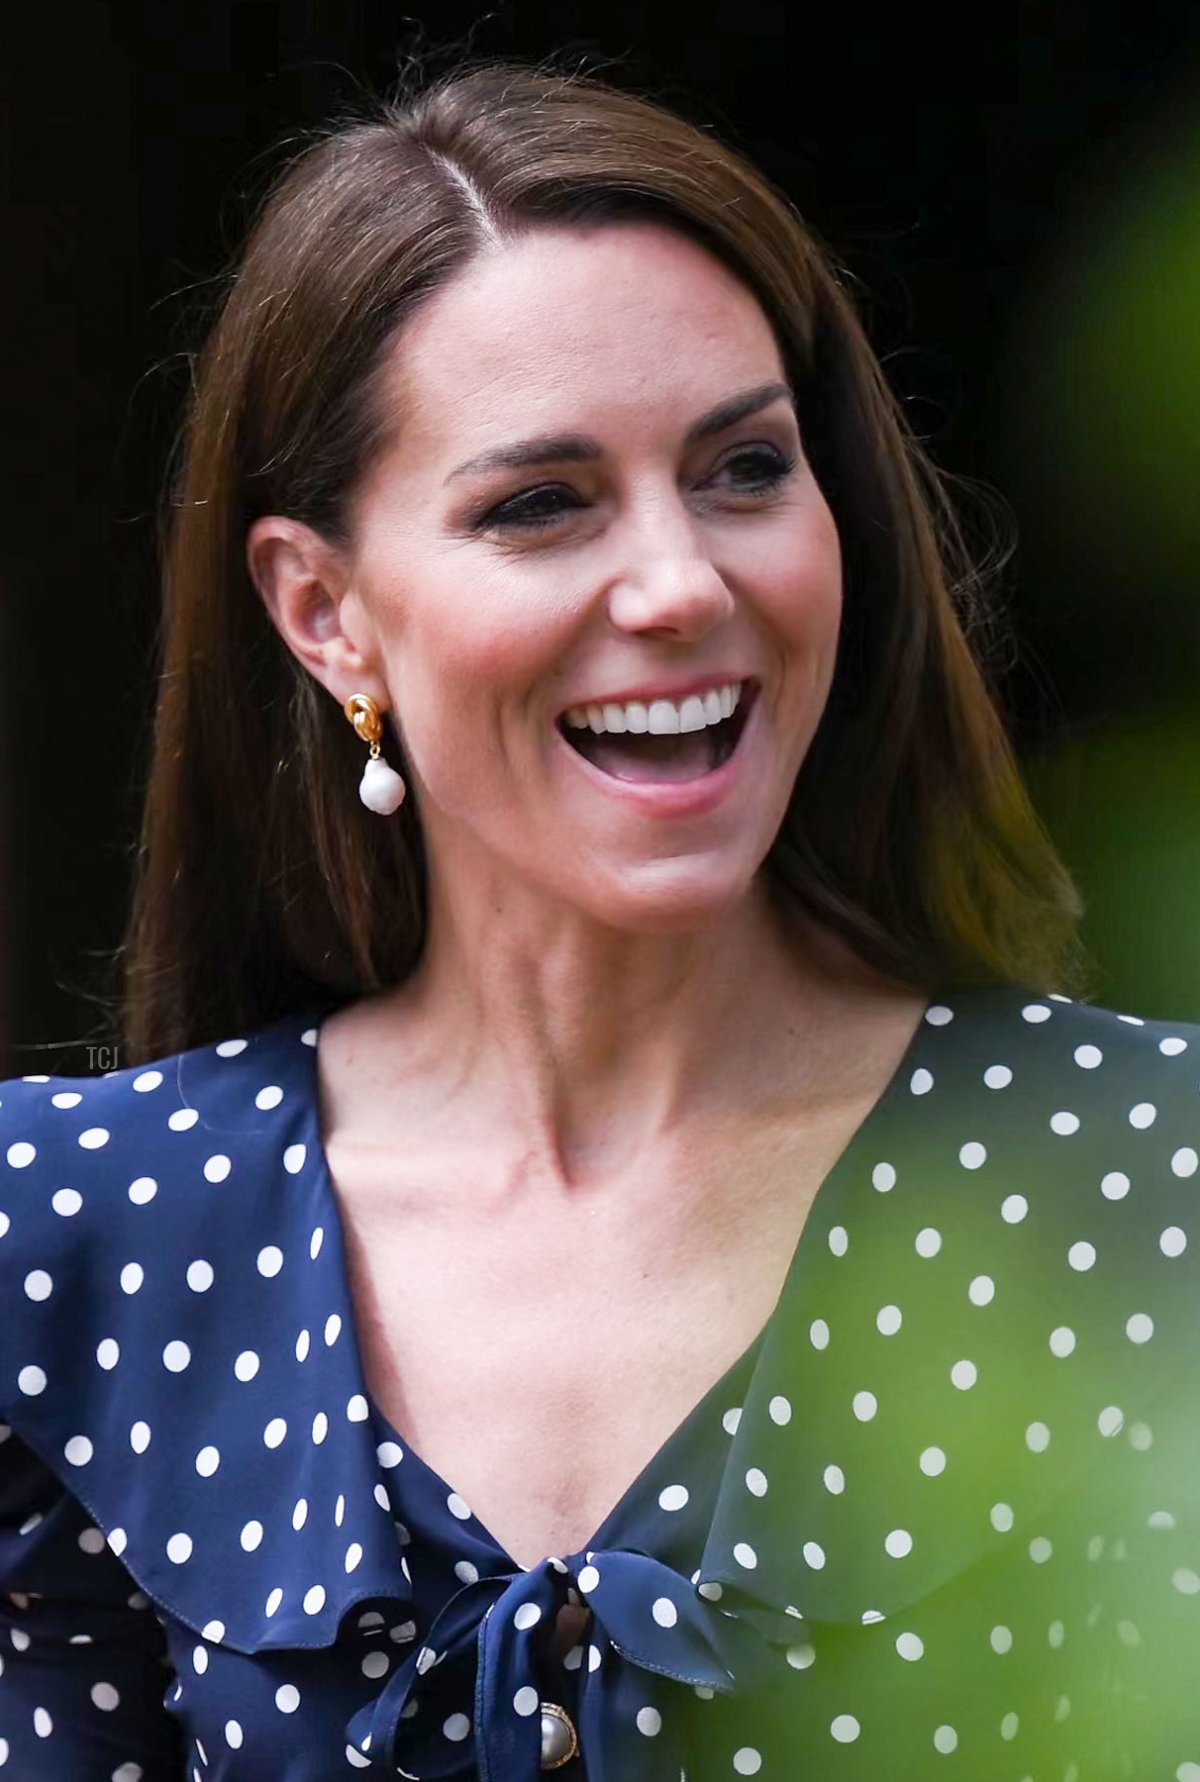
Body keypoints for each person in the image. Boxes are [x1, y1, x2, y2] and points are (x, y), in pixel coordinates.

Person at [1, 53, 1197, 1782]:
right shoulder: (77, 1239)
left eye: (743, 470)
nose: (681, 585)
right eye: (540, 503)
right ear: (326, 612)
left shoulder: (1141, 1181)